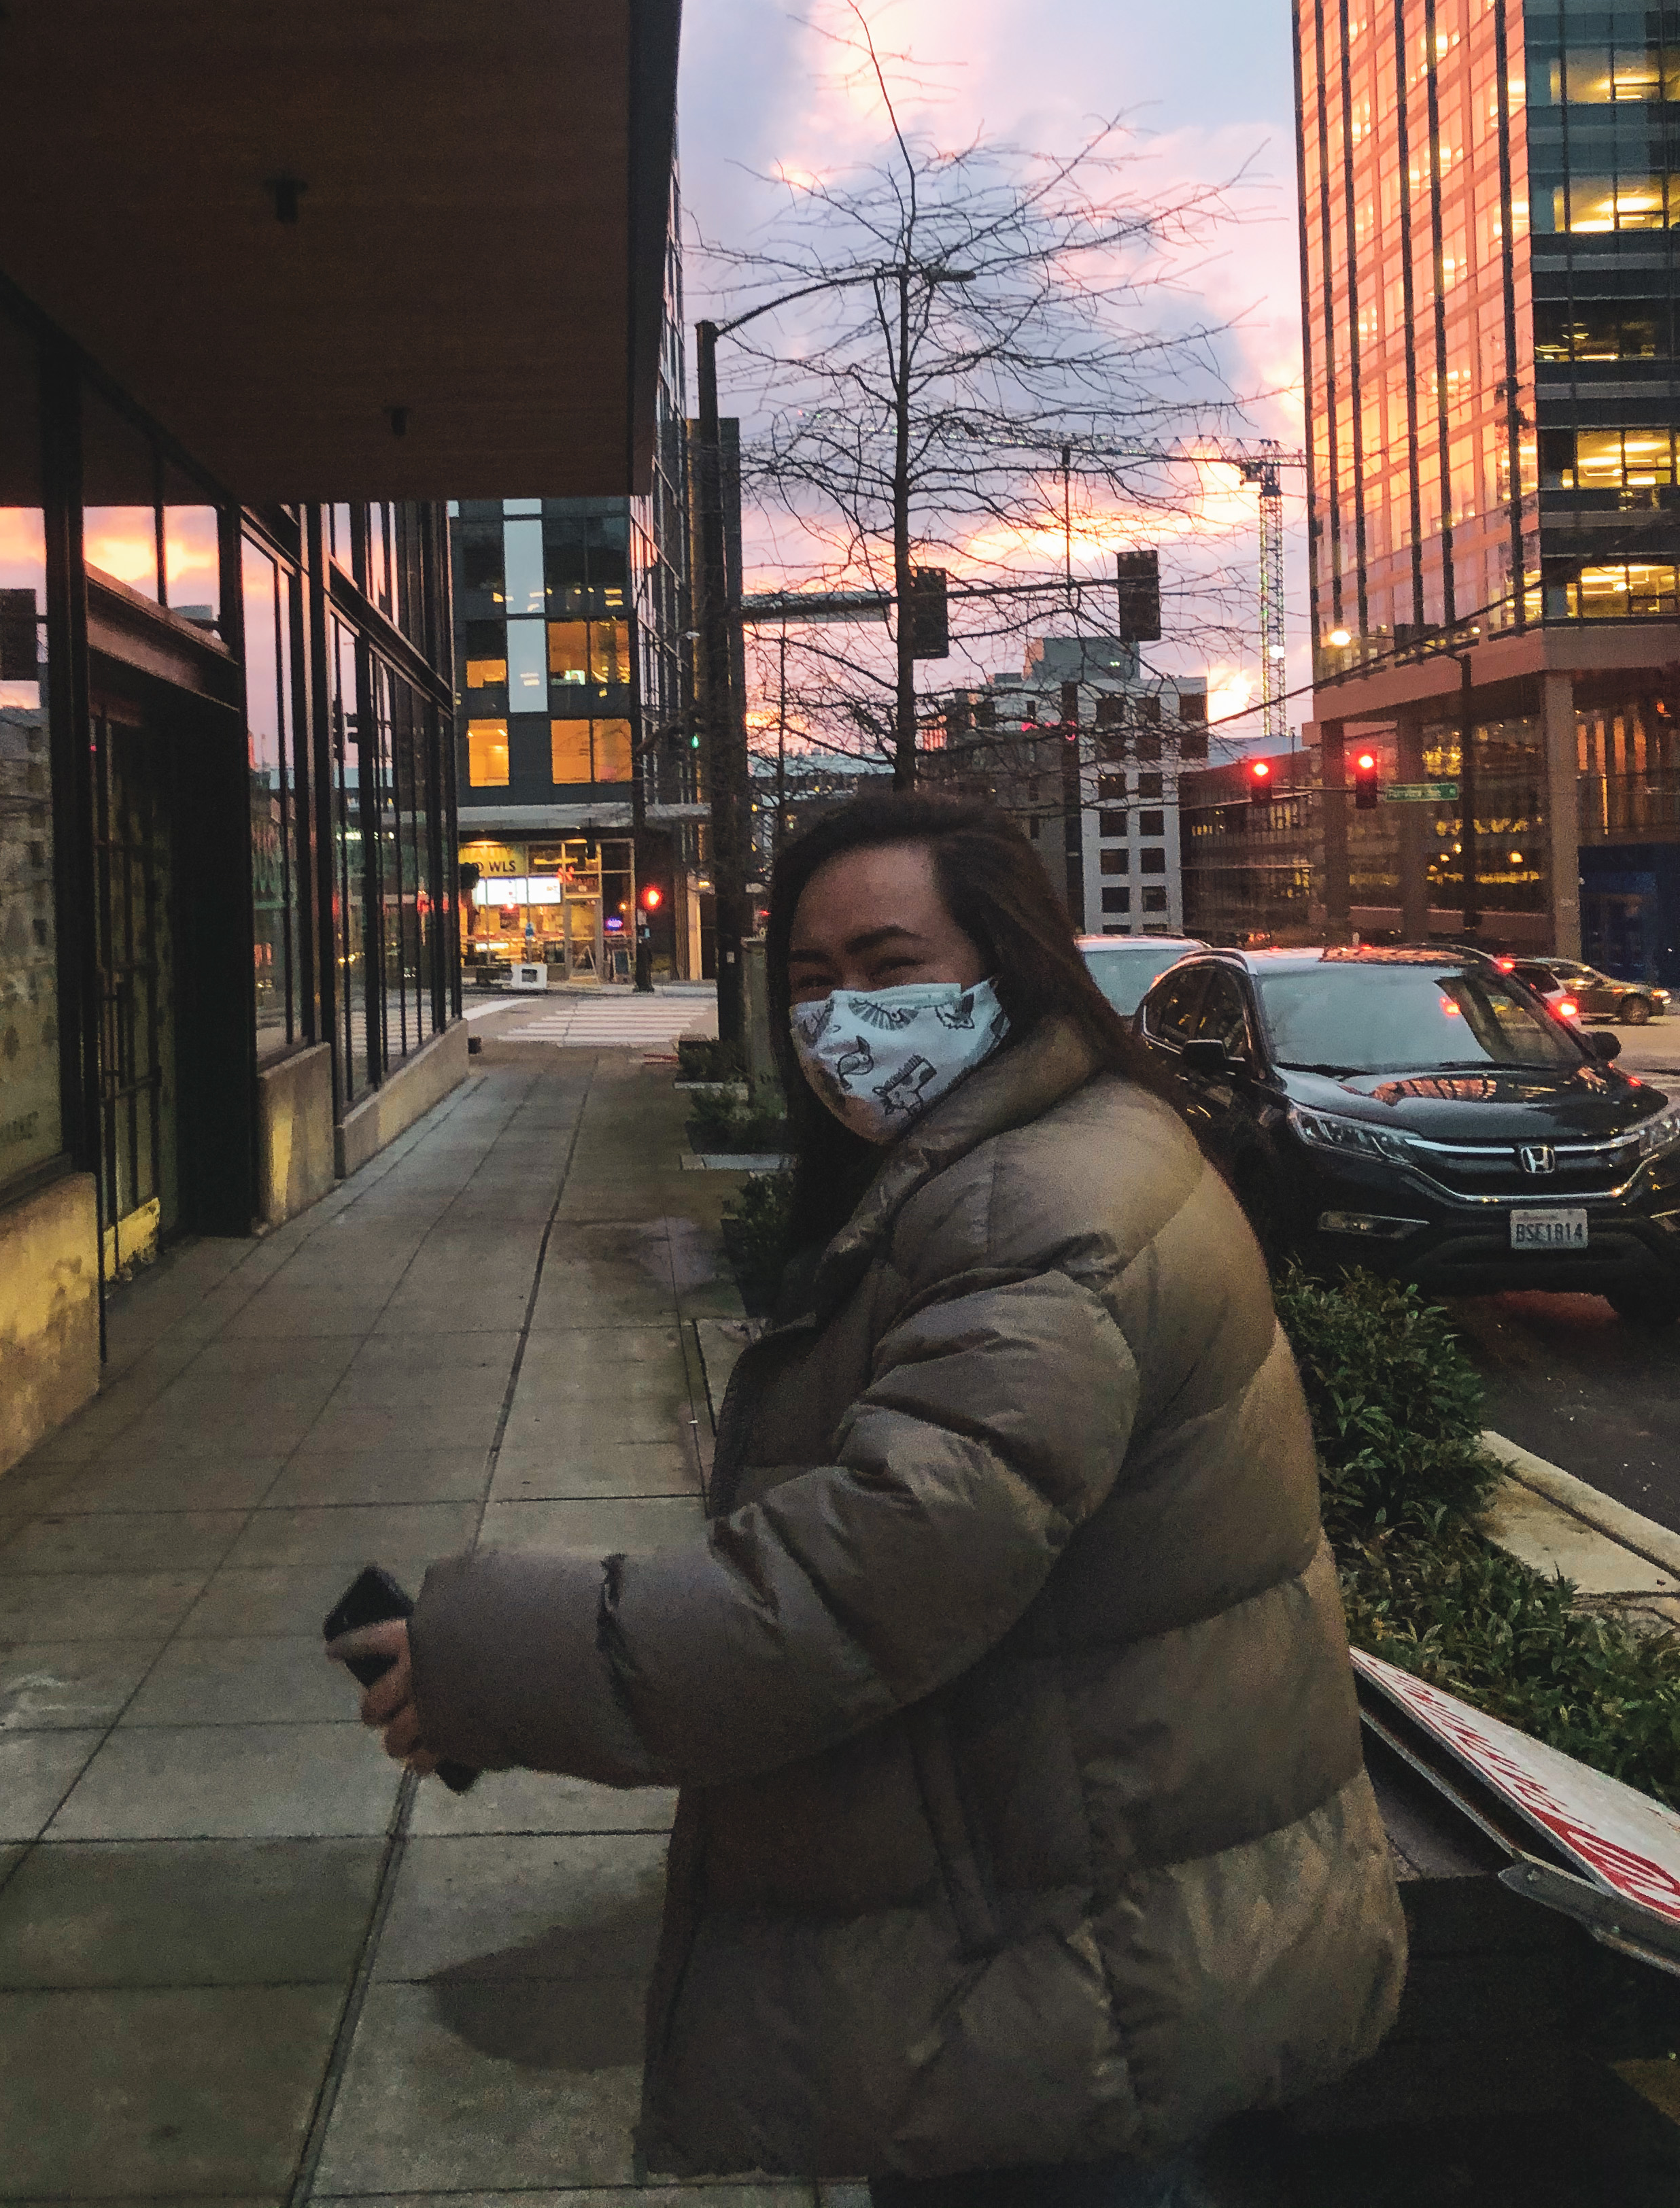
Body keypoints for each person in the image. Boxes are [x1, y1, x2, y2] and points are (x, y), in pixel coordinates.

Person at [330, 792, 1407, 2206]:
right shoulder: (1034, 1160)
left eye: (893, 967)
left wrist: (480, 1656)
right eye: (812, 982)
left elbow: (850, 1587)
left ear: (1005, 967)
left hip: (1076, 2006)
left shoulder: (1039, 1211)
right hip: (1063, 1939)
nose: (846, 1017)